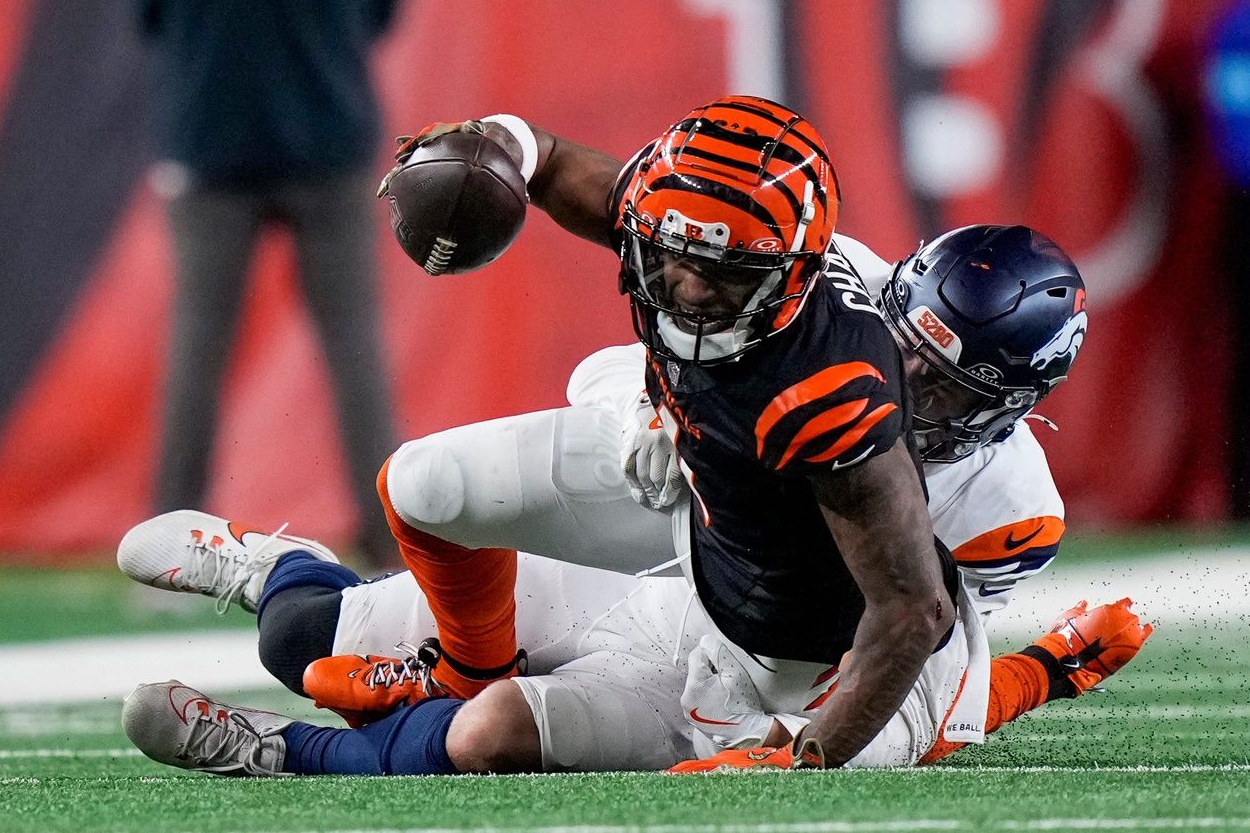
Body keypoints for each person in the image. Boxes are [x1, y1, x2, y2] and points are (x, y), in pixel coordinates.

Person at [118, 213, 1150, 774]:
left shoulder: (1008, 508)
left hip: (747, 673)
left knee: (486, 735)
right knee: (301, 634)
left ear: (1011, 406)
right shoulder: (818, 284)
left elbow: (930, 685)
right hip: (661, 549)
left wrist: (1038, 676)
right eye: (904, 348)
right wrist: (651, 404)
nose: (906, 385)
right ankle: (280, 572)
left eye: (947, 384)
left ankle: (279, 752)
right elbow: (603, 369)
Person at [137, 0, 400, 568]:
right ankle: (392, 544)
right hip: (328, 134)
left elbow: (152, 19)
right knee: (356, 350)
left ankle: (168, 550)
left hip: (210, 137)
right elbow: (378, 16)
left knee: (197, 350)